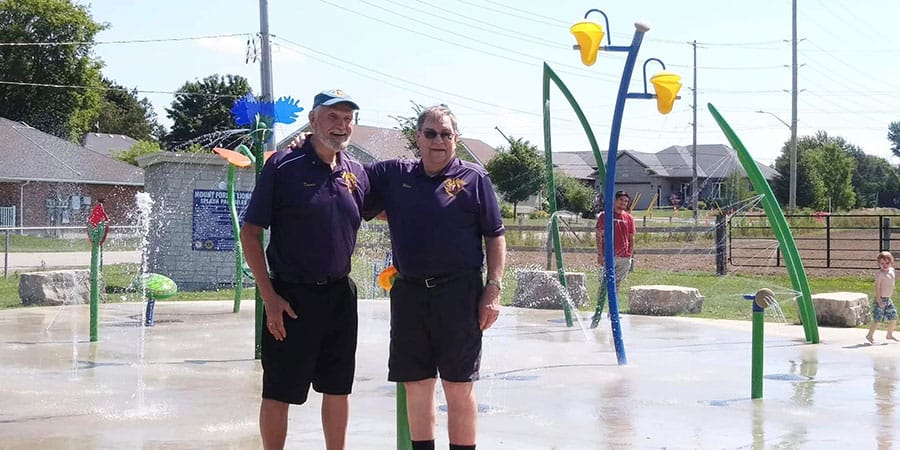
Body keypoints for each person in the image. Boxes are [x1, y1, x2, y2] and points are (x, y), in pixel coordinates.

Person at [364, 105, 507, 450]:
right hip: (410, 294)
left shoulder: (474, 179)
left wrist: (494, 288)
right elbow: (344, 174)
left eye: (445, 134)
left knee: (458, 387)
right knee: (417, 386)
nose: (438, 141)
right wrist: (306, 145)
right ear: (418, 138)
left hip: (458, 294)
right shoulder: (396, 174)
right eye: (430, 133)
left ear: (455, 139)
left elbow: (495, 235)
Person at [240, 88, 368, 450]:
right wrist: (270, 298)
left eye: (347, 119)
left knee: (338, 388)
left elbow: (396, 206)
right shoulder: (283, 166)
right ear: (313, 120)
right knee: (279, 391)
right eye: (332, 116)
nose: (341, 125)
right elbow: (250, 233)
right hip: (290, 298)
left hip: (340, 297)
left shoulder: (356, 173)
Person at [592, 190, 637, 327]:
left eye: (625, 201)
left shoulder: (628, 218)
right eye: (621, 200)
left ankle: (613, 311)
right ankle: (598, 310)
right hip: (608, 255)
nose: (623, 203)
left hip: (623, 256)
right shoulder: (605, 216)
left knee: (617, 284)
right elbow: (599, 235)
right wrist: (600, 254)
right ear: (615, 201)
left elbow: (631, 237)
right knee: (604, 284)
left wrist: (631, 253)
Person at [866, 251, 898, 344]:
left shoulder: (892, 270)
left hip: (888, 299)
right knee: (877, 319)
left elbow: (891, 282)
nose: (884, 265)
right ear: (879, 263)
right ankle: (869, 335)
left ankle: (889, 334)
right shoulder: (880, 274)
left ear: (891, 262)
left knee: (894, 317)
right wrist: (879, 300)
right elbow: (877, 288)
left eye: (887, 263)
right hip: (880, 300)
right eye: (882, 263)